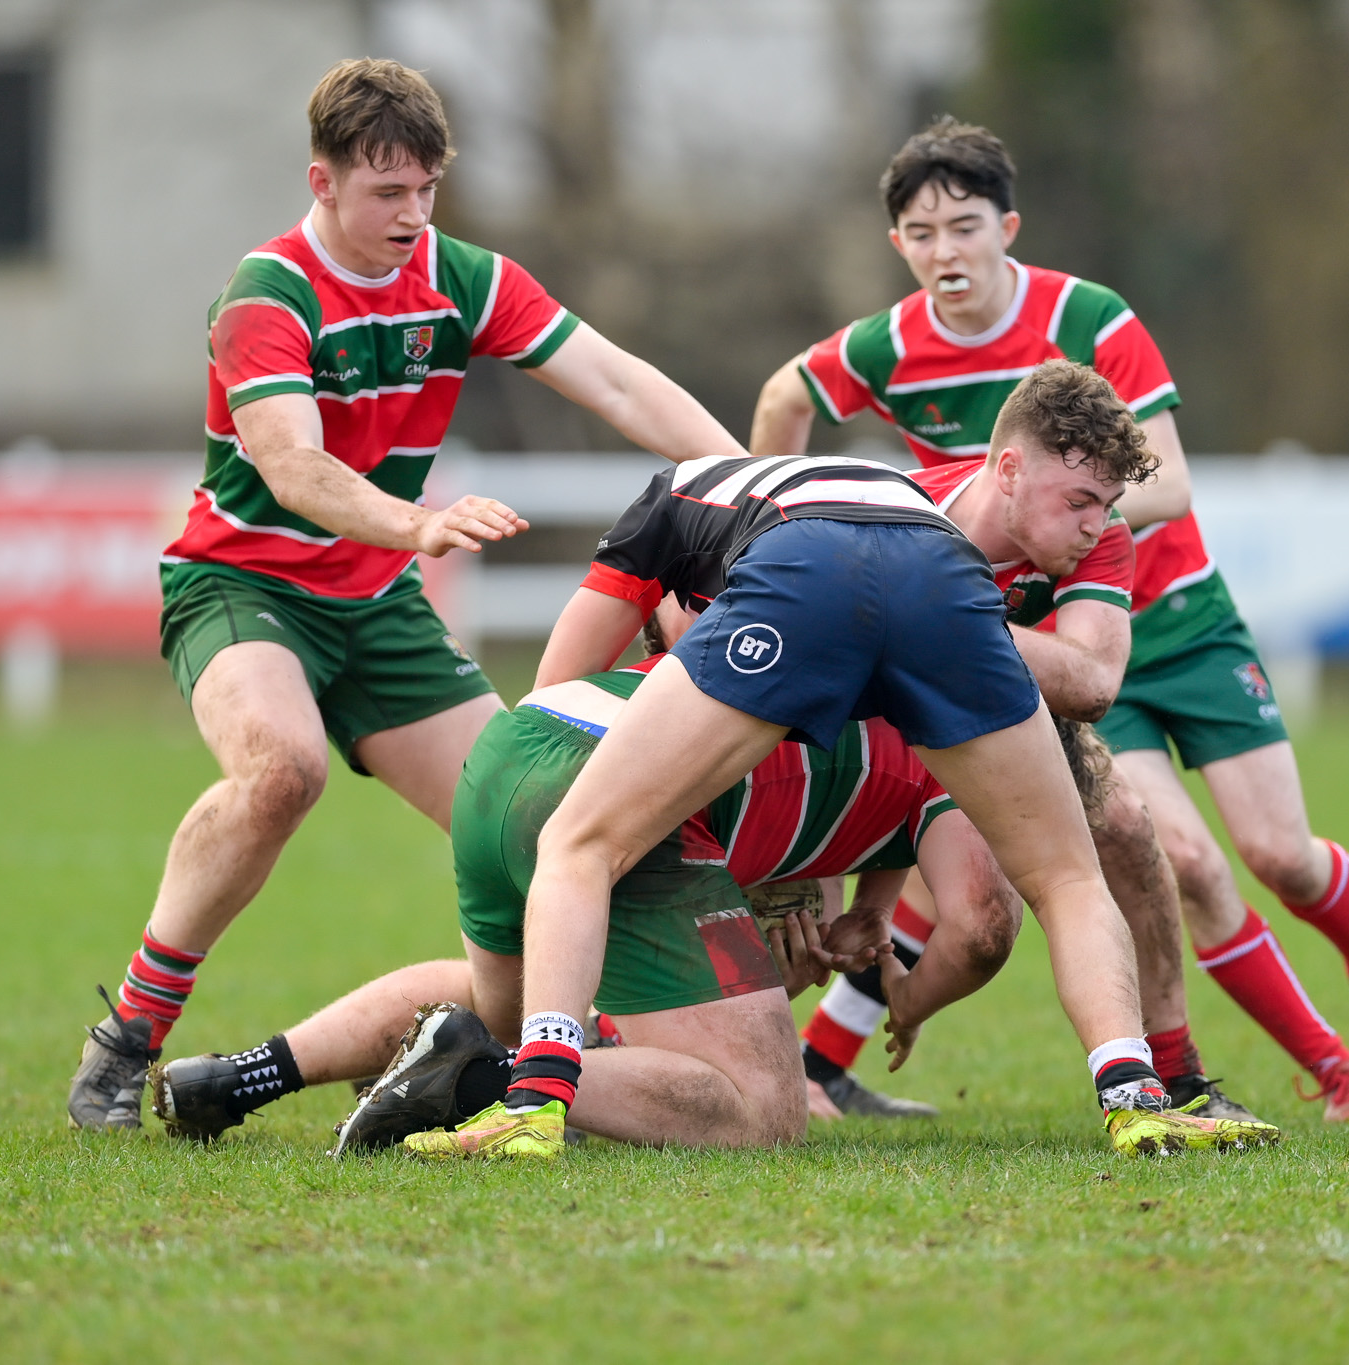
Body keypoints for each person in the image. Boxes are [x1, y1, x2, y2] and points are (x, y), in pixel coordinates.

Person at [68, 58, 750, 1131]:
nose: (412, 215)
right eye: (387, 191)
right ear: (323, 180)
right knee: (282, 772)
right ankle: (130, 1035)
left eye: (427, 189)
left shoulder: (461, 277)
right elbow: (292, 467)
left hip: (378, 605)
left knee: (537, 809)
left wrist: (751, 488)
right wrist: (415, 525)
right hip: (242, 584)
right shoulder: (266, 297)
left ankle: (538, 1056)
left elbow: (617, 381)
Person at [752, 118, 1349, 1121]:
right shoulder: (888, 346)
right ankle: (1333, 1069)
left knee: (1279, 854)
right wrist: (776, 502)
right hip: (1061, 639)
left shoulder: (1084, 317)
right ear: (897, 243)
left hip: (1175, 612)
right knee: (1171, 857)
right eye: (923, 233)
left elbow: (1169, 482)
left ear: (1007, 228)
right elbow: (784, 394)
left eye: (964, 226)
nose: (946, 251)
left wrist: (1056, 504)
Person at [423, 368, 1276, 1163]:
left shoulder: (668, 505)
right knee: (1068, 876)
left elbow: (557, 692)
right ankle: (1136, 1097)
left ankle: (531, 1099)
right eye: (1082, 502)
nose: (1096, 526)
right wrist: (864, 895)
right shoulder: (910, 501)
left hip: (811, 561)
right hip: (942, 577)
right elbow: (884, 704)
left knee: (580, 837)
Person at [148, 628, 1037, 1153]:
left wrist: (856, 922)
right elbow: (981, 924)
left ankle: (243, 1076)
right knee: (765, 1105)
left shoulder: (872, 692)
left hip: (518, 745)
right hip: (624, 794)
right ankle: (483, 1081)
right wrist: (905, 1003)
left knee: (508, 1005)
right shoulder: (962, 769)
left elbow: (833, 822)